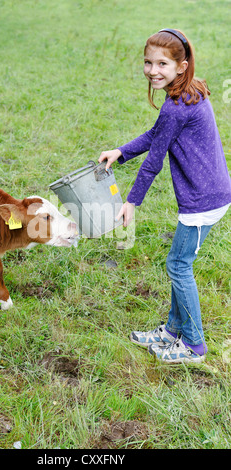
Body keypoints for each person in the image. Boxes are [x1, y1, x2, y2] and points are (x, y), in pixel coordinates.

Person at [98, 29, 231, 364]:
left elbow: (155, 160)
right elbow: (159, 134)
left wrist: (131, 201)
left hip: (203, 200)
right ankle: (173, 331)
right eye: (148, 62)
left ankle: (195, 345)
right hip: (211, 192)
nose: (152, 70)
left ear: (181, 66)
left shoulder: (178, 105)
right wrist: (121, 152)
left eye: (162, 63)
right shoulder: (190, 90)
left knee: (177, 264)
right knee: (179, 263)